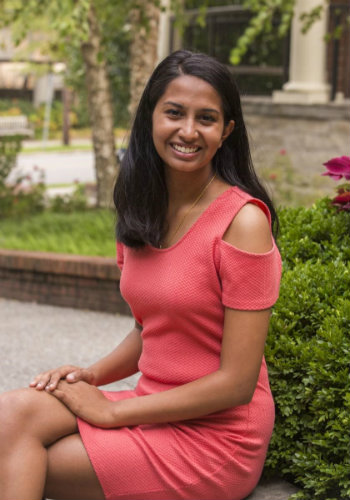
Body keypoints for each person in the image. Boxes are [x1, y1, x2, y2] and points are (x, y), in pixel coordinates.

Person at [0, 50, 282, 500]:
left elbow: (237, 383)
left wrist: (112, 414)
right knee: (9, 417)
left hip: (215, 438)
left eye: (206, 118)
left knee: (26, 461)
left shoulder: (243, 222)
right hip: (152, 405)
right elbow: (149, 329)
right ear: (150, 115)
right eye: (174, 112)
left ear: (227, 131)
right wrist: (89, 378)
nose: (188, 131)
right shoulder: (141, 212)